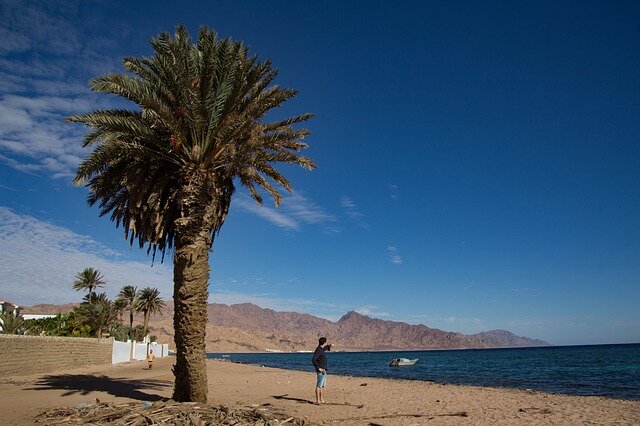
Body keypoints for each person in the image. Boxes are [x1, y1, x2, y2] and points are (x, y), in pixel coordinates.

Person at [311, 337, 331, 404]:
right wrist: (318, 368)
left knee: (322, 386)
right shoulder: (319, 350)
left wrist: (330, 346)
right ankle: (317, 400)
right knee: (318, 386)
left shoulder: (321, 349)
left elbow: (325, 348)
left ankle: (322, 400)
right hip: (320, 371)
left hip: (324, 370)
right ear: (324, 342)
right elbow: (313, 359)